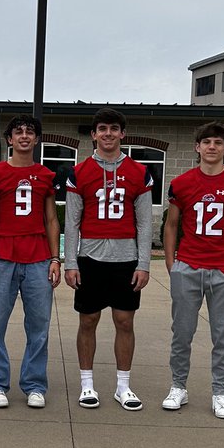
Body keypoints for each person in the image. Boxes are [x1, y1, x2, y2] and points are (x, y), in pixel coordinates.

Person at [162, 121, 224, 419]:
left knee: (223, 335)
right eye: (206, 142)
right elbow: (171, 224)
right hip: (188, 265)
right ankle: (179, 386)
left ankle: (220, 392)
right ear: (197, 147)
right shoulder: (182, 182)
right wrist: (171, 264)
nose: (212, 147)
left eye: (218, 142)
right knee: (182, 332)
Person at [64, 108, 153, 410]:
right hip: (90, 256)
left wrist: (144, 263)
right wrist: (70, 262)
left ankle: (123, 386)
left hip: (125, 258)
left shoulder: (139, 172)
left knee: (124, 321)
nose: (108, 134)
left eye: (114, 128)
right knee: (88, 320)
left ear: (122, 133)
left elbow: (144, 223)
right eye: (102, 128)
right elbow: (71, 222)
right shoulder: (79, 172)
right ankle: (87, 384)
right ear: (93, 134)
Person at [0, 116, 61, 408]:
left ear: (36, 139)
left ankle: (35, 384)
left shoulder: (47, 176)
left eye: (30, 132)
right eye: (18, 132)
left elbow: (51, 218)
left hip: (38, 257)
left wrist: (55, 258)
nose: (24, 136)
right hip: (2, 255)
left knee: (39, 325)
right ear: (9, 139)